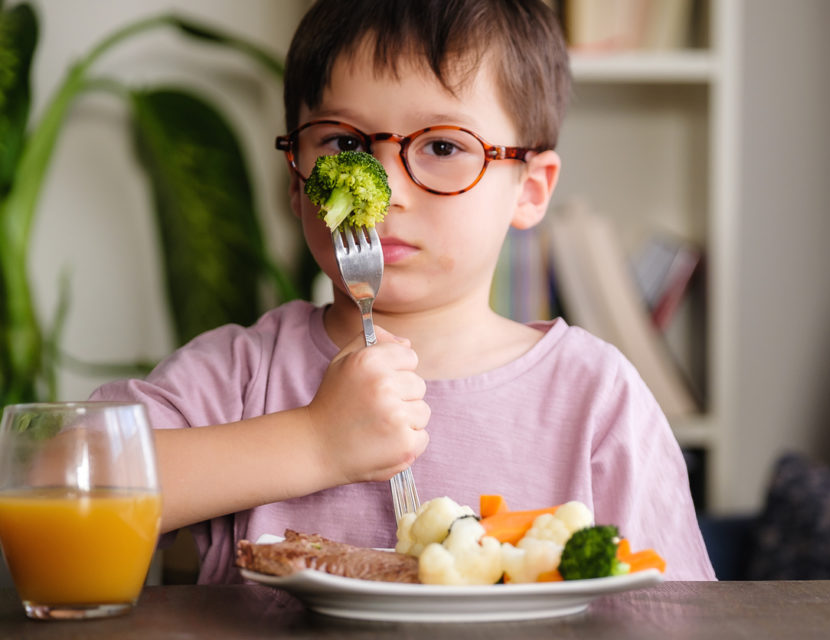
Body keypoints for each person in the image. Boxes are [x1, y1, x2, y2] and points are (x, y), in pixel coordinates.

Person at [91, 0, 716, 583]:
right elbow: (59, 478)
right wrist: (312, 442)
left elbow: (678, 612)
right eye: (343, 144)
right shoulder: (243, 375)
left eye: (444, 145)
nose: (384, 191)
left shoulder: (597, 399)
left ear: (531, 189)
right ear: (294, 178)